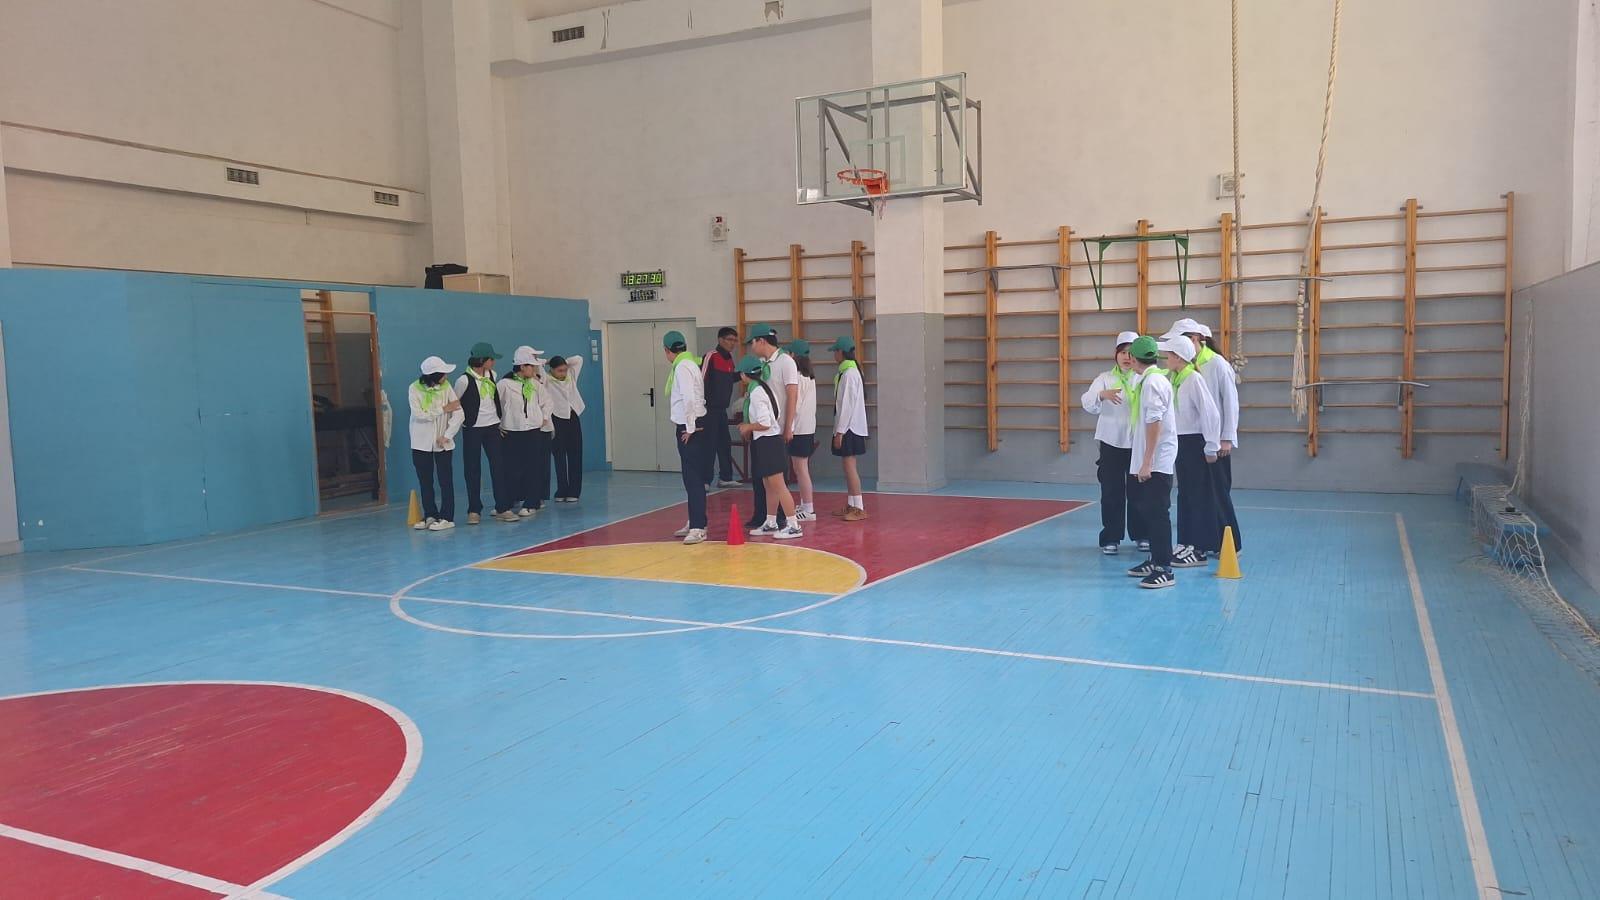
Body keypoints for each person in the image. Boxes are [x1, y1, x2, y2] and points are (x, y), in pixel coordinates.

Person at [1168, 317, 1243, 554]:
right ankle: (1206, 542)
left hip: (1215, 439)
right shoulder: (1180, 370)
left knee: (1218, 493)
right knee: (1197, 493)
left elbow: (1230, 402)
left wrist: (1226, 438)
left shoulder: (1217, 364)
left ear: (1194, 339)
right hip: (1193, 439)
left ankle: (1231, 544)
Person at [1159, 334, 1222, 567]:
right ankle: (1186, 542)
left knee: (1198, 496)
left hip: (1195, 442)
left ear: (1178, 357)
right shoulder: (1175, 378)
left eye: (1168, 355)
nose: (1165, 358)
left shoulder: (1193, 379)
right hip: (1180, 442)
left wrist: (1212, 446)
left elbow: (1210, 413)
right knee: (1184, 495)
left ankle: (1200, 548)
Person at [1080, 331, 1144, 554]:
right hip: (1111, 443)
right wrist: (1101, 395)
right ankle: (1111, 537)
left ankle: (1142, 534)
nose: (1127, 357)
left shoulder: (1143, 377)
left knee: (1139, 492)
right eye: (1122, 352)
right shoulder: (1105, 378)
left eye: (1131, 353)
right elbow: (1086, 401)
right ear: (1116, 355)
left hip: (1137, 443)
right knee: (1111, 492)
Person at [1125, 336, 1178, 589]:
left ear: (1133, 359)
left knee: (1157, 512)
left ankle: (1164, 568)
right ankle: (1155, 558)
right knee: (1147, 508)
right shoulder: (1148, 379)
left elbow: (1154, 423)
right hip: (1149, 458)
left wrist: (1147, 463)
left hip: (1157, 460)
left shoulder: (1153, 383)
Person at [737, 354, 803, 539]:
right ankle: (771, 522)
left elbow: (765, 423)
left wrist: (747, 426)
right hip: (768, 441)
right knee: (769, 485)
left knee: (779, 486)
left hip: (768, 442)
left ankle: (794, 525)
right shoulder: (764, 388)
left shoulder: (757, 393)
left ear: (745, 375)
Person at [744, 324, 799, 530]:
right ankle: (767, 518)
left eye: (752, 342)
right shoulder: (761, 363)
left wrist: (788, 426)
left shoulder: (786, 362)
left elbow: (792, 395)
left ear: (761, 341)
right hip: (761, 430)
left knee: (777, 479)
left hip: (776, 429)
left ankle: (789, 520)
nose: (751, 347)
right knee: (763, 478)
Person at [454, 342, 516, 524]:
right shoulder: (463, 380)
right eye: (491, 359)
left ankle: (502, 507)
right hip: (472, 428)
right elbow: (455, 403)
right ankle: (474, 510)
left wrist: (499, 421)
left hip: (492, 427)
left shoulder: (492, 375)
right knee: (472, 469)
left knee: (498, 466)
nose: (493, 362)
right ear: (482, 360)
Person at [663, 331, 712, 545]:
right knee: (690, 477)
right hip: (691, 424)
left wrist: (690, 428)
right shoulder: (689, 363)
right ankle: (695, 519)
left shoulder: (682, 367)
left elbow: (689, 398)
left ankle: (698, 527)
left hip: (690, 426)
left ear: (667, 351)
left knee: (693, 479)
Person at [408, 356, 464, 532]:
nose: (446, 377)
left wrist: (447, 435)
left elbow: (458, 412)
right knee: (425, 481)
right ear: (433, 376)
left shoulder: (447, 387)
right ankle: (430, 515)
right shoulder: (414, 388)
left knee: (445, 480)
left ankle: (447, 517)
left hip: (442, 443)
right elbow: (419, 414)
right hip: (420, 442)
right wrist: (443, 409)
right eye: (443, 374)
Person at [498, 346, 549, 519]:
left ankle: (531, 503)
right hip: (511, 431)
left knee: (533, 467)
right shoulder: (504, 384)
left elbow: (547, 402)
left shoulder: (535, 384)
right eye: (531, 366)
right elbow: (496, 405)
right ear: (522, 366)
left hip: (532, 431)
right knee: (511, 468)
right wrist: (498, 424)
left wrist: (544, 417)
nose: (534, 369)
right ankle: (509, 502)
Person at [828, 335, 870, 521]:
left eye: (835, 352)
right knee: (847, 466)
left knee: (850, 466)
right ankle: (852, 504)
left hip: (849, 428)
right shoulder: (846, 372)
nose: (834, 355)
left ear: (841, 352)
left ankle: (859, 508)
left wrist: (840, 431)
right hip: (847, 427)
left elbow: (847, 405)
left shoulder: (850, 374)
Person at [701, 327, 742, 488]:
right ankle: (705, 480)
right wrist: (700, 408)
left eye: (735, 340)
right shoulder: (711, 356)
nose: (733, 343)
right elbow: (701, 381)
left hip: (721, 411)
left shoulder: (729, 359)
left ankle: (725, 477)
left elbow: (730, 378)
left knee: (725, 444)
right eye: (730, 340)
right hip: (708, 411)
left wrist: (744, 375)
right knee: (709, 446)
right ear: (720, 340)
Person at [545, 352, 586, 503]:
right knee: (559, 455)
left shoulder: (571, 375)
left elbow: (579, 359)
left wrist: (564, 362)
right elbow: (538, 366)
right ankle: (562, 490)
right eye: (559, 370)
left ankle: (574, 491)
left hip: (573, 417)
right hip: (556, 418)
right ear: (551, 370)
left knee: (575, 453)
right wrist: (547, 361)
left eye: (564, 370)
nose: (562, 373)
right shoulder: (546, 380)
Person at [786, 340, 819, 521]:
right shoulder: (809, 377)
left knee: (801, 469)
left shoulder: (798, 378)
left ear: (793, 356)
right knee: (800, 468)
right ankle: (805, 504)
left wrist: (788, 427)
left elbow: (795, 406)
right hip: (806, 428)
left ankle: (808, 509)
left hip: (799, 429)